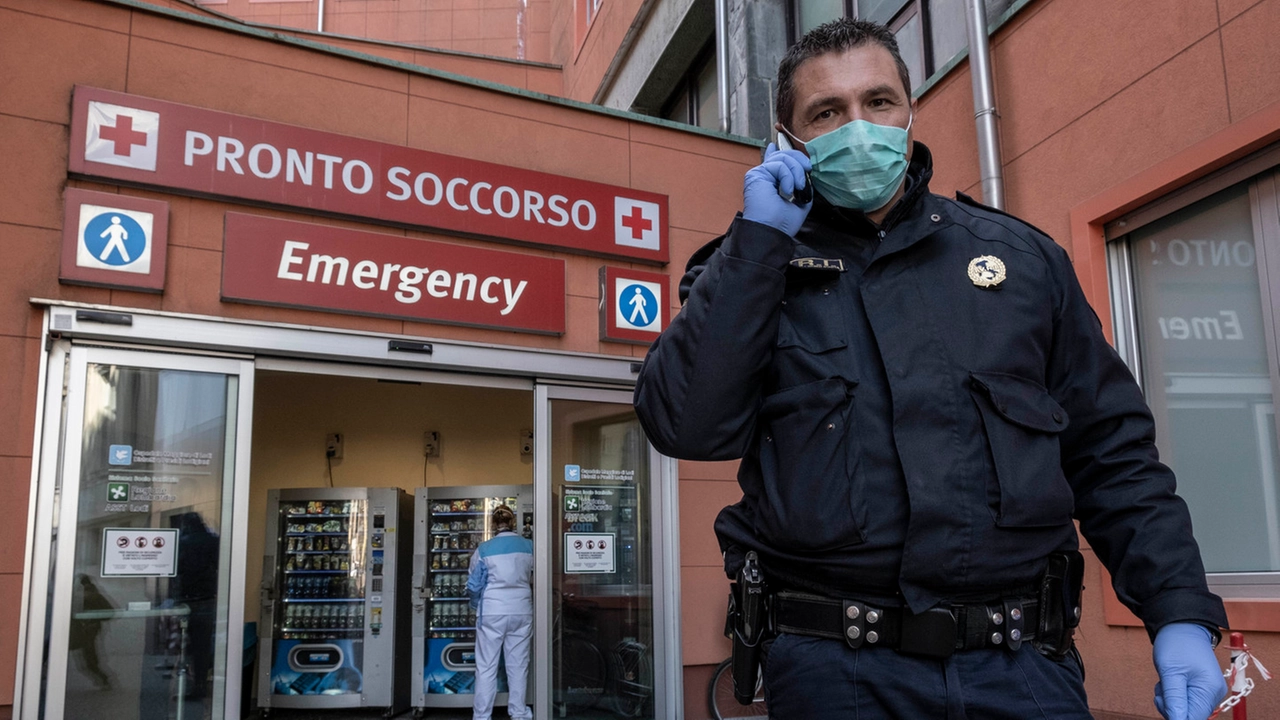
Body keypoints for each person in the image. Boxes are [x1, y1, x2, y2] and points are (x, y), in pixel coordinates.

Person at [634, 17, 1229, 720]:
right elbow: (685, 425)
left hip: (1022, 668)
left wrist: (1177, 610)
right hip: (836, 672)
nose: (859, 126)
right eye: (827, 112)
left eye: (878, 102)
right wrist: (759, 243)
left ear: (909, 112)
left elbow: (1111, 452)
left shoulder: (1021, 263)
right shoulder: (751, 270)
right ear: (787, 142)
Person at [466, 505, 534, 720]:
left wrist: (475, 605)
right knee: (518, 665)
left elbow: (474, 585)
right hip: (522, 610)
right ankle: (519, 712)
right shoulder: (530, 546)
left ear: (493, 525)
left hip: (492, 612)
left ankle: (482, 716)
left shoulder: (484, 550)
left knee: (486, 666)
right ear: (513, 522)